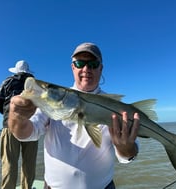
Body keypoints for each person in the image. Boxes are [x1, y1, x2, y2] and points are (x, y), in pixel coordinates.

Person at [8, 43, 140, 189]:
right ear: (73, 67)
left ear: (101, 68)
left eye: (93, 64)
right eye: (79, 63)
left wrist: (125, 148)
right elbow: (26, 134)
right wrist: (17, 117)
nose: (86, 69)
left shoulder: (117, 108)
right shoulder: (51, 102)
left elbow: (128, 157)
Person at [0, 60, 38, 189]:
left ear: (16, 71)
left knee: (9, 163)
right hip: (31, 127)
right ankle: (27, 187)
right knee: (29, 163)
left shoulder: (7, 82)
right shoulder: (35, 85)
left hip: (10, 126)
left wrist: (7, 114)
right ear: (28, 72)